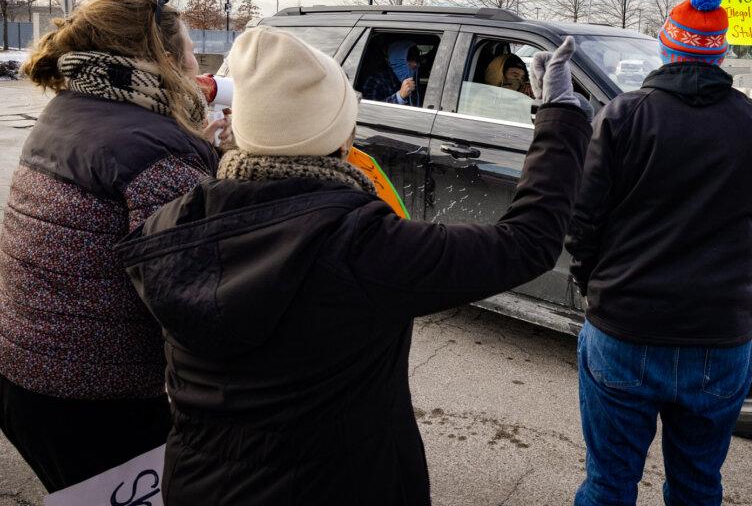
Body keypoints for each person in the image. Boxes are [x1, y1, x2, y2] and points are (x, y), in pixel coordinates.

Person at [116, 27, 591, 505]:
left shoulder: (172, 223)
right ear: (340, 135)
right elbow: (527, 243)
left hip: (201, 484)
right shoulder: (362, 246)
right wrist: (559, 120)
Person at [566, 0, 752, 506]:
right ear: (719, 54)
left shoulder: (621, 116)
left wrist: (594, 287)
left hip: (623, 329)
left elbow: (582, 223)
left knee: (608, 483)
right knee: (697, 485)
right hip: (716, 339)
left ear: (667, 48)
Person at [0, 0, 227, 492]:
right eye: (189, 51)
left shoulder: (73, 109)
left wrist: (199, 154)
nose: (197, 63)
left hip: (29, 378)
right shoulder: (154, 151)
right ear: (162, 59)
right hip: (96, 401)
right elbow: (194, 304)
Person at [363, 40, 422, 105]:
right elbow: (370, 110)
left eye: (417, 60)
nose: (415, 64)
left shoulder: (414, 79)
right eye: (410, 59)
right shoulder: (376, 81)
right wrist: (400, 96)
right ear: (397, 59)